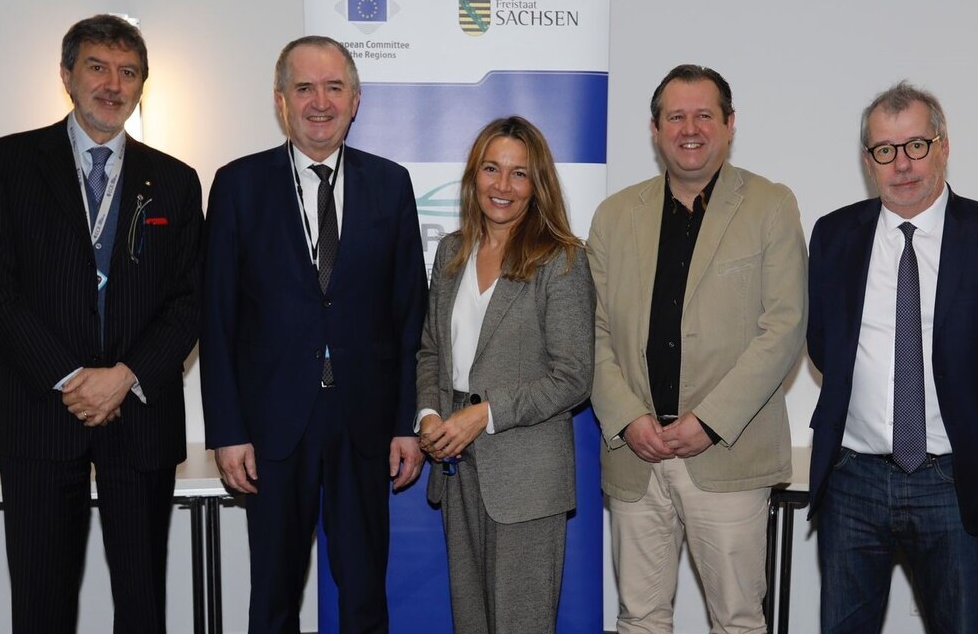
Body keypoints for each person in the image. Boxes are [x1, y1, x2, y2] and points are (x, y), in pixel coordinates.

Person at [0, 14, 203, 633]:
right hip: (45, 416)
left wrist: (123, 376)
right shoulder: (7, 163)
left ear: (141, 86)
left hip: (140, 417)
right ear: (67, 75)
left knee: (143, 606)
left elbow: (189, 301)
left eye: (128, 73)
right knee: (41, 608)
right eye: (97, 67)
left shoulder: (176, 181)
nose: (112, 84)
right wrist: (73, 378)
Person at [200, 35, 427, 633]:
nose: (319, 102)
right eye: (304, 88)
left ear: (356, 100)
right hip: (272, 427)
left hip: (365, 424)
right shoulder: (237, 185)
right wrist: (227, 431)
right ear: (281, 102)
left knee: (363, 598)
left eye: (333, 87)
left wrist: (407, 421)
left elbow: (411, 315)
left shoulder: (391, 184)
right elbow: (216, 317)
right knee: (272, 599)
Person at [807, 81, 978, 633]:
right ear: (869, 161)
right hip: (853, 479)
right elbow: (824, 343)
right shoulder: (834, 235)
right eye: (885, 150)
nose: (902, 164)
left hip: (954, 478)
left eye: (916, 145)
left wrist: (972, 411)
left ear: (943, 145)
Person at [588, 64, 807, 633]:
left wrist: (708, 422)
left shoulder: (770, 205)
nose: (691, 128)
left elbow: (783, 328)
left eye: (705, 115)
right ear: (655, 129)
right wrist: (627, 417)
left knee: (736, 619)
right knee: (639, 616)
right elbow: (592, 332)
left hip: (727, 455)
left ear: (729, 125)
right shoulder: (614, 217)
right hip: (636, 452)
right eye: (676, 116)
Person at [416, 116, 595, 633]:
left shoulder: (561, 259)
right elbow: (431, 349)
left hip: (527, 478)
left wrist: (485, 414)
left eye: (519, 174)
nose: (503, 185)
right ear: (474, 176)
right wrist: (429, 414)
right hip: (454, 470)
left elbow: (573, 376)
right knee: (469, 623)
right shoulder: (452, 251)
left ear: (537, 185)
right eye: (492, 169)